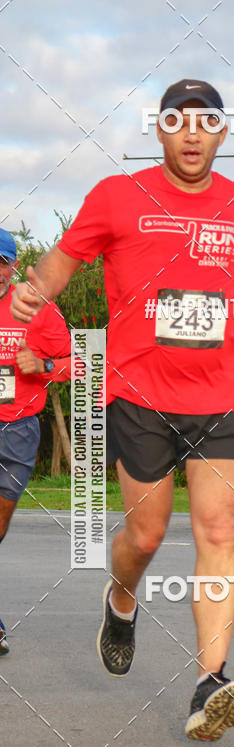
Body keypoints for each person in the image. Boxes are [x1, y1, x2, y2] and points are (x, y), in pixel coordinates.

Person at [11, 79, 234, 740]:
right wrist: (34, 293)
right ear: (160, 129)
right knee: (145, 536)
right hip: (140, 394)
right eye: (178, 121)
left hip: (225, 393)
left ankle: (210, 682)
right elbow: (66, 257)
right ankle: (122, 599)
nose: (192, 133)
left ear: (223, 132)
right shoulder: (118, 195)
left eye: (205, 122)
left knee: (218, 530)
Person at [0, 228, 72, 655]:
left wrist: (43, 363)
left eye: (1, 262)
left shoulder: (37, 309)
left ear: (11, 266)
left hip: (17, 430)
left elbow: (82, 364)